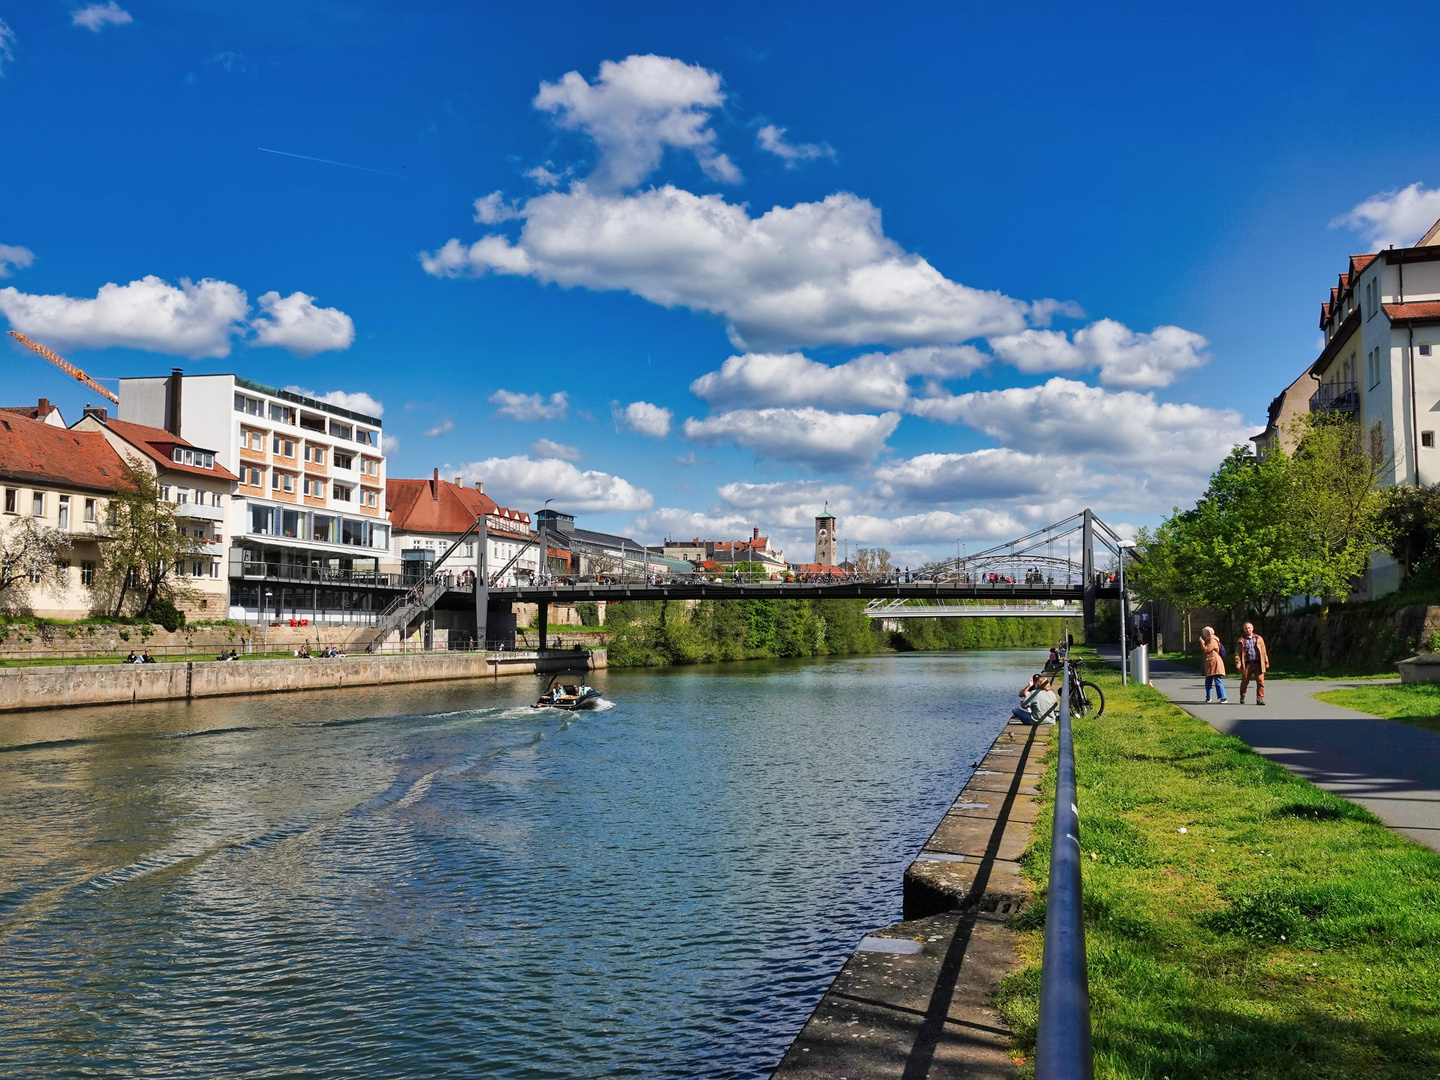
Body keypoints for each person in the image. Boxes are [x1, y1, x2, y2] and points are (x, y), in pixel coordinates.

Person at [1235, 621, 1269, 705]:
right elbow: (1237, 653)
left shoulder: (1259, 638)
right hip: (1247, 664)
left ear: (1252, 628)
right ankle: (1242, 695)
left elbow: (1264, 651)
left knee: (1260, 682)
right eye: (1246, 628)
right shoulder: (1241, 640)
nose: (1247, 630)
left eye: (1249, 628)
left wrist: (1266, 661)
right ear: (1244, 630)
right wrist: (1238, 662)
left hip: (1258, 663)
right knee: (1245, 682)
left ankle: (1260, 699)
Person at [1198, 627, 1227, 703]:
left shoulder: (1213, 640)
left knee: (1217, 680)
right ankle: (1208, 697)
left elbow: (1206, 649)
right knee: (1208, 681)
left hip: (1214, 663)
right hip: (1209, 663)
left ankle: (1223, 697)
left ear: (1207, 633)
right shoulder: (1208, 640)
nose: (1203, 635)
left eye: (1204, 633)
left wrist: (1202, 643)